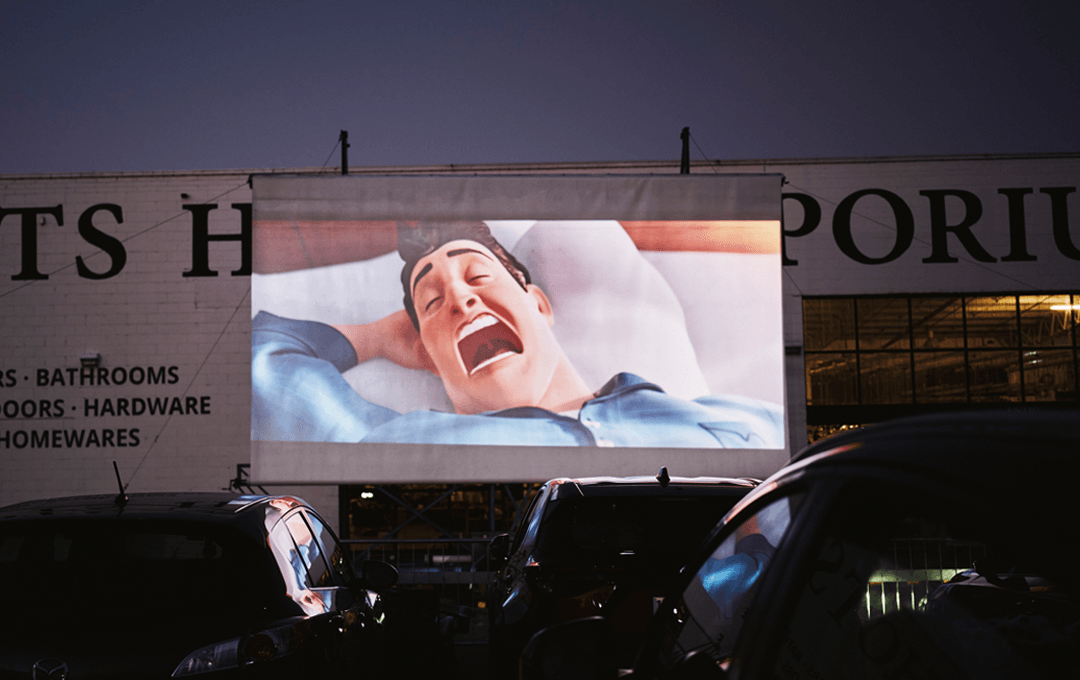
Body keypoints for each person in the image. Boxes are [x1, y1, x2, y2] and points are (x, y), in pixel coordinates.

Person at [251, 221, 783, 448]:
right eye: (432, 301)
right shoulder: (399, 441)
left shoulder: (730, 418)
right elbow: (265, 356)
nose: (460, 298)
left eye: (479, 276)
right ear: (426, 355)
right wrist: (376, 339)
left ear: (540, 304)